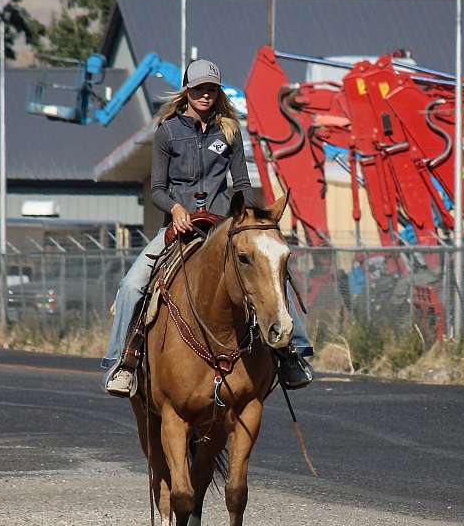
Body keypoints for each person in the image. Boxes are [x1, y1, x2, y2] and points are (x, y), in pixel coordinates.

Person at [103, 58, 313, 396]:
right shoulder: (167, 132)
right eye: (200, 88)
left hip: (224, 225)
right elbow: (157, 188)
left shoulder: (229, 130)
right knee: (132, 285)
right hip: (179, 228)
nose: (205, 95)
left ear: (217, 92)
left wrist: (250, 220)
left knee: (271, 278)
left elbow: (242, 183)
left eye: (211, 89)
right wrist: (175, 209)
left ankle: (292, 354)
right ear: (187, 90)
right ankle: (122, 362)